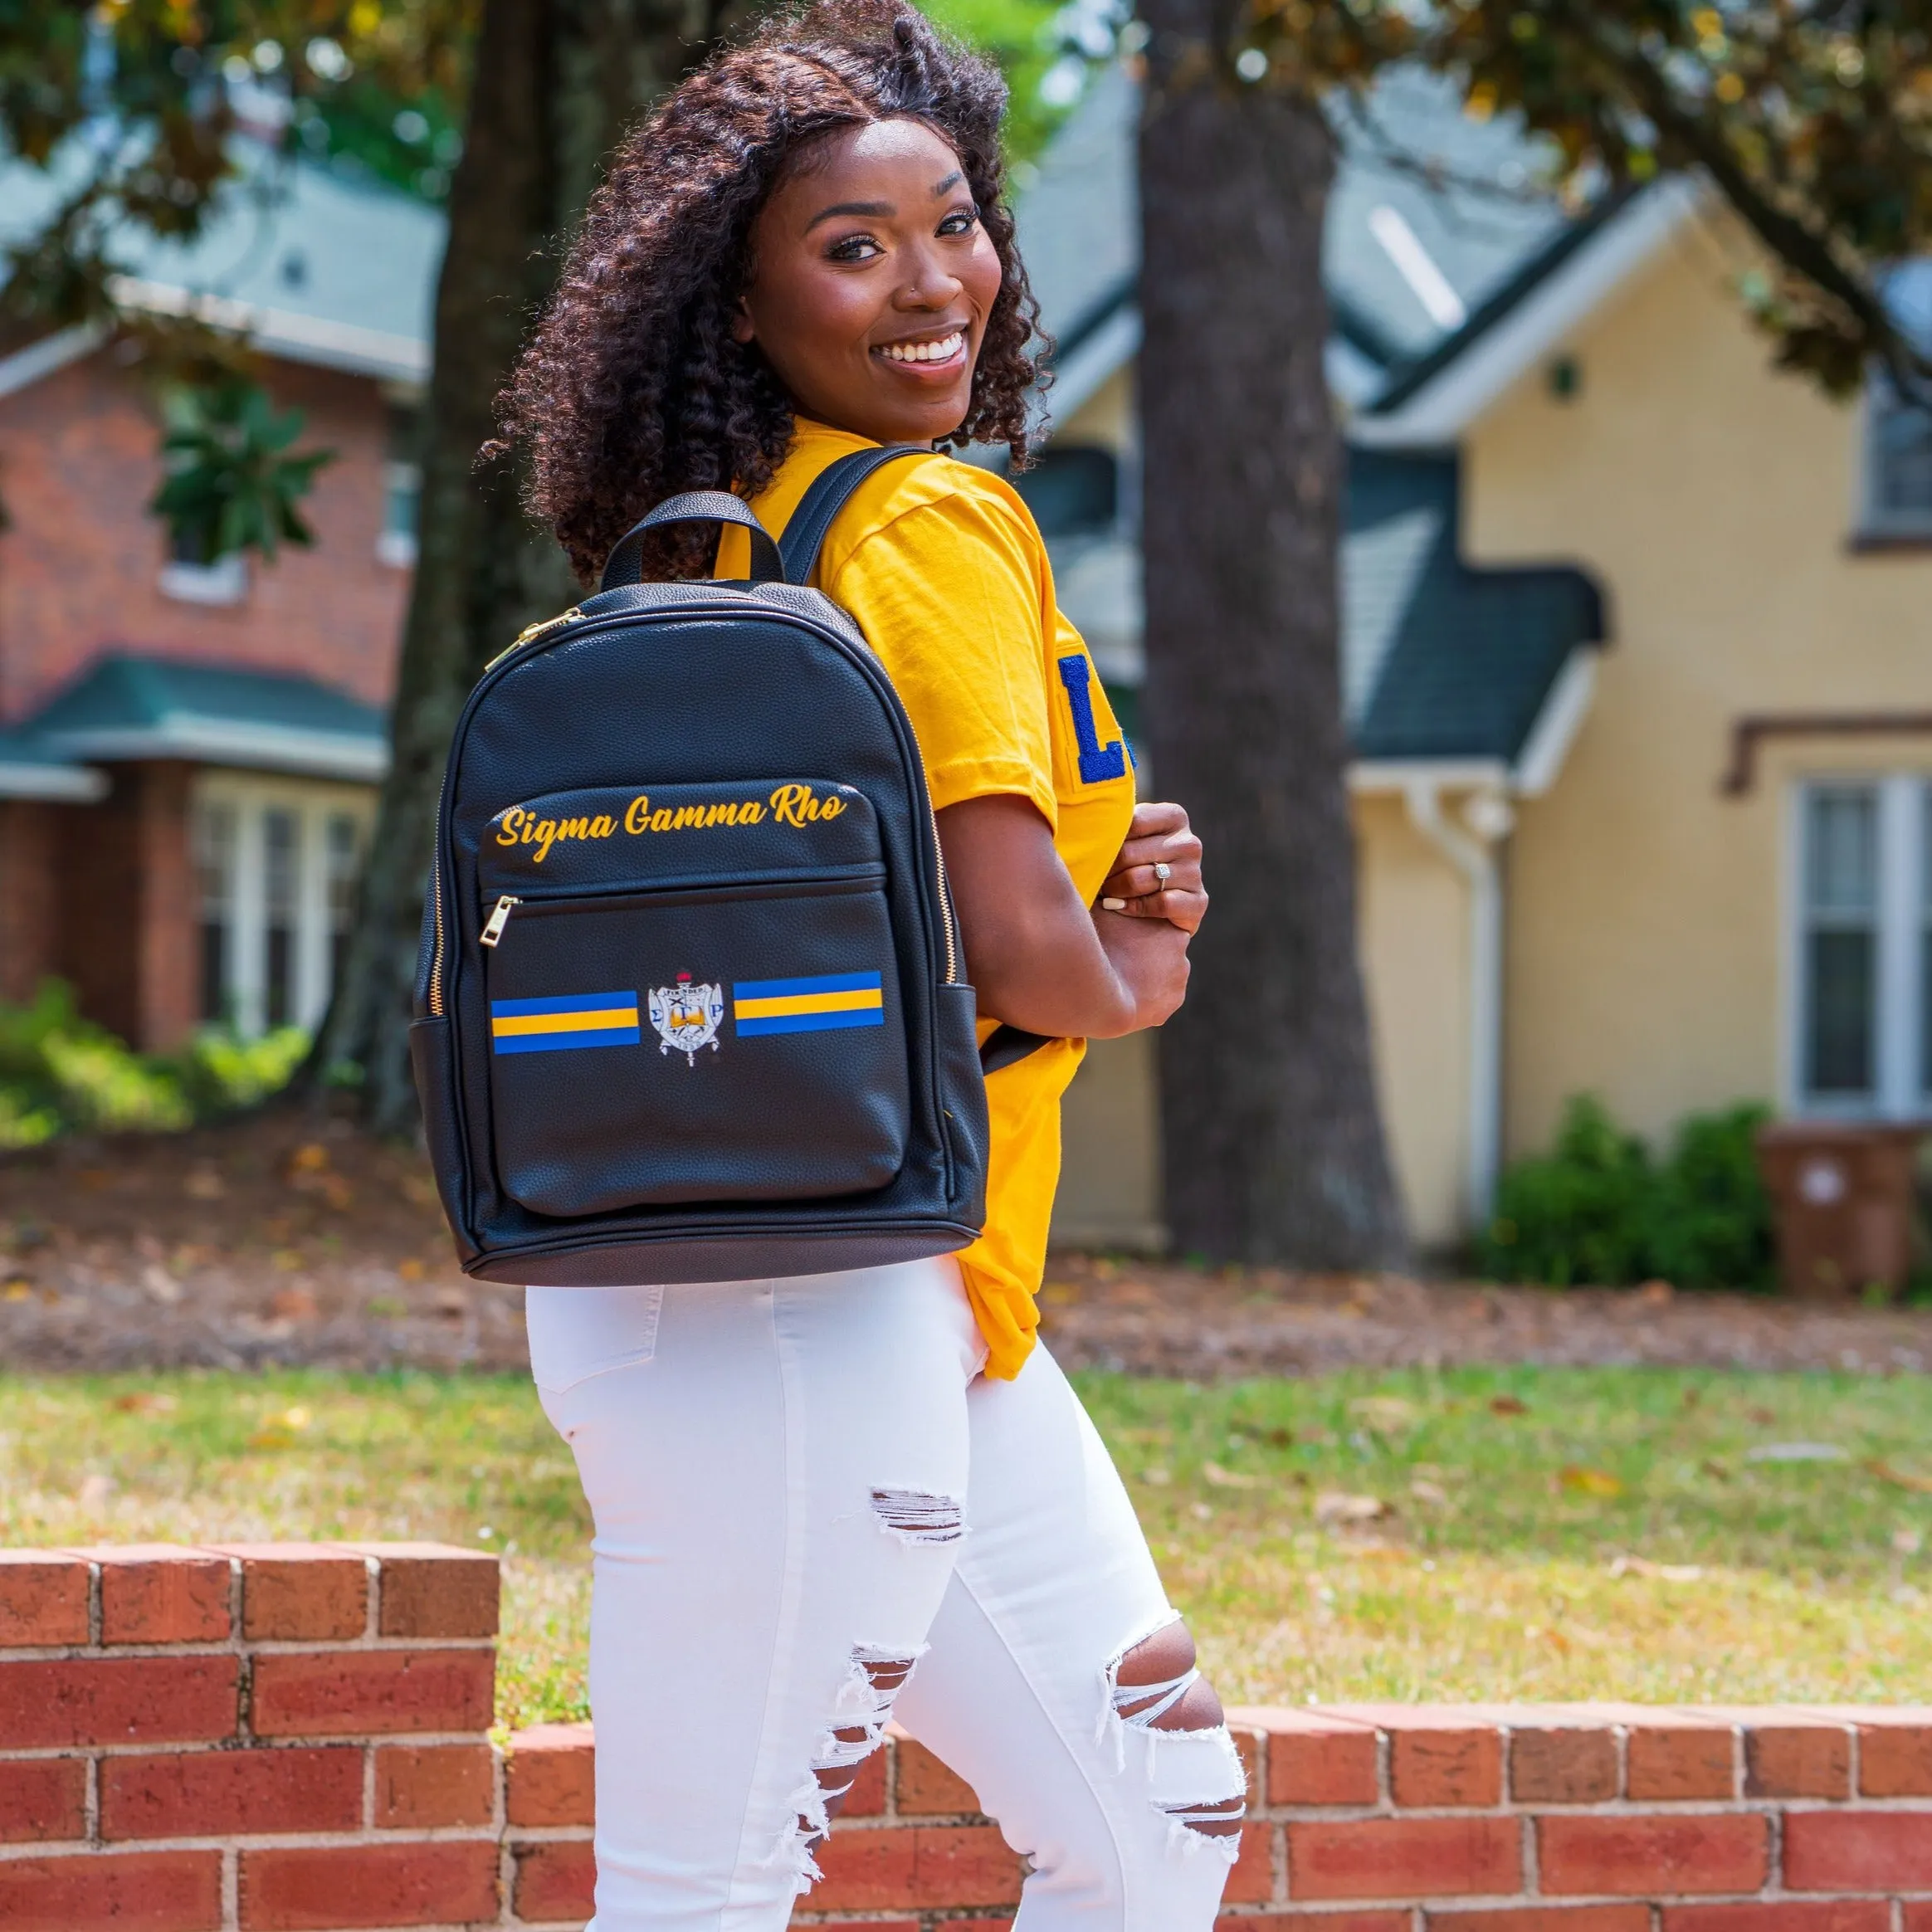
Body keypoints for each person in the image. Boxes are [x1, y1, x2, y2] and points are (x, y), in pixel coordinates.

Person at [490, 5, 1232, 1926]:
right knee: (704, 1888)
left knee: (1162, 1813)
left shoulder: (720, 555)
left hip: (810, 1280)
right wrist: (1140, 956)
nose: (936, 285)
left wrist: (1097, 878)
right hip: (822, 1302)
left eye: (957, 223)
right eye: (854, 245)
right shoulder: (928, 519)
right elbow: (1024, 955)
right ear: (743, 305)